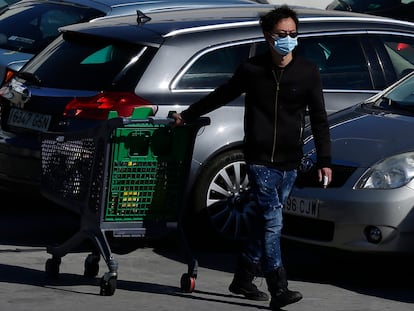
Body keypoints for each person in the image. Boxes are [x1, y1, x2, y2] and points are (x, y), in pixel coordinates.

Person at [172, 5, 332, 310]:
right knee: (273, 221)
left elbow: (320, 119)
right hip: (259, 160)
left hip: (290, 162)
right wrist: (187, 115)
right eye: (281, 34)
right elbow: (220, 95)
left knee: (262, 223)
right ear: (267, 36)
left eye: (293, 34)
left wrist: (325, 160)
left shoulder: (308, 72)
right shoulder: (252, 70)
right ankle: (278, 286)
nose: (288, 39)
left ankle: (243, 277)